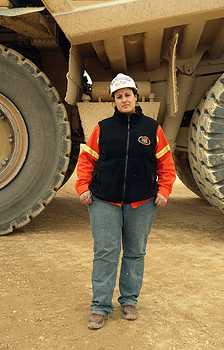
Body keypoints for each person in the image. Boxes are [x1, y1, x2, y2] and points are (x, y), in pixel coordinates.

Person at [75, 73, 176, 329]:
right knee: (106, 253)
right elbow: (87, 159)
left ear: (135, 96)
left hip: (141, 203)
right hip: (104, 201)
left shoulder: (152, 128)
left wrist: (164, 189)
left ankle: (129, 300)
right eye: (118, 96)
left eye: (127, 95)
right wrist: (82, 187)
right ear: (114, 101)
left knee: (134, 252)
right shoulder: (103, 128)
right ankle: (100, 306)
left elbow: (166, 163)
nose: (124, 100)